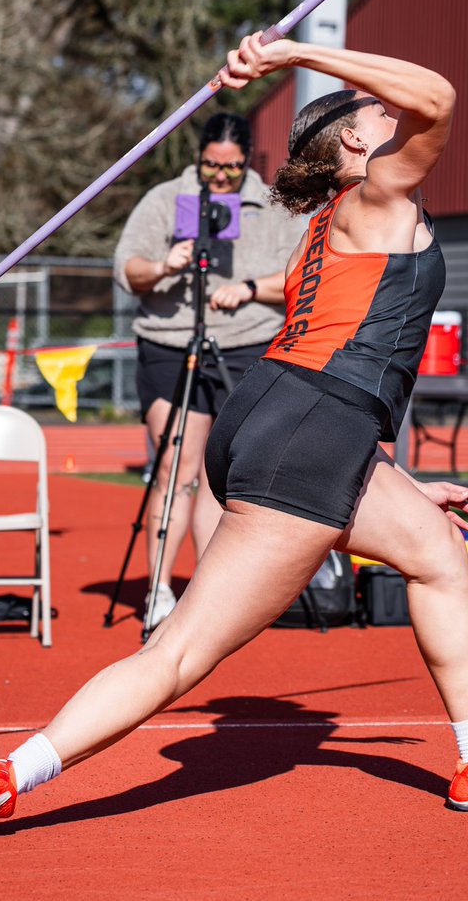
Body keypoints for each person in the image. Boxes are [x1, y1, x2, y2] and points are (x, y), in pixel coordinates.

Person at [0, 35, 468, 841]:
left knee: (433, 551)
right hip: (311, 429)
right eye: (373, 113)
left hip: (288, 416)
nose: (391, 113)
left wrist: (396, 480)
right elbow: (441, 93)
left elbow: (341, 360)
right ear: (355, 142)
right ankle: (13, 774)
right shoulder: (379, 193)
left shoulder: (327, 227)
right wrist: (295, 54)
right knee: (179, 655)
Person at [113, 111, 304, 625]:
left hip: (245, 346)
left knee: (222, 474)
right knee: (177, 469)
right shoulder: (163, 199)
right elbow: (127, 269)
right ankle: (157, 593)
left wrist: (246, 289)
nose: (219, 177)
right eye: (210, 166)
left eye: (232, 168)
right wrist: (164, 266)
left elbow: (300, 276)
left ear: (248, 162)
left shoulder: (274, 204)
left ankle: (209, 594)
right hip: (170, 344)